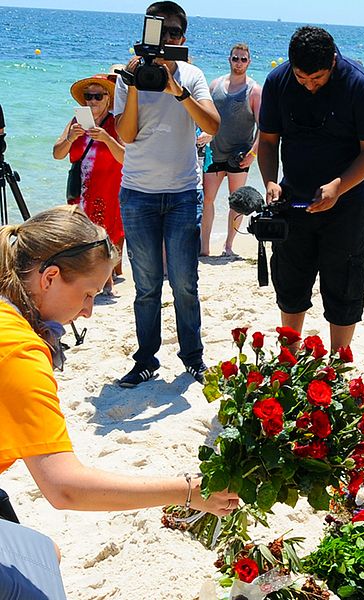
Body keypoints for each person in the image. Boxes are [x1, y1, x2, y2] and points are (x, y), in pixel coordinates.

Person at [0, 206, 238, 596]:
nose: (89, 311)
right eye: (88, 294)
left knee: (46, 554)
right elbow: (65, 489)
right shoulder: (19, 351)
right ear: (50, 278)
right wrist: (188, 491)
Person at [114, 1, 220, 388]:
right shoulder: (128, 77)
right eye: (159, 32)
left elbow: (212, 124)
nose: (167, 39)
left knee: (185, 283)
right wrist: (139, 84)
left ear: (183, 38)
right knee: (146, 286)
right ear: (146, 35)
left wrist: (177, 90)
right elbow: (126, 135)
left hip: (181, 193)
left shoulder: (192, 75)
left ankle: (193, 357)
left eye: (173, 33)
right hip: (138, 193)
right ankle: (146, 360)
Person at [258, 26, 364, 351]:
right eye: (302, 78)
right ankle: (290, 353)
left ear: (333, 61)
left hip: (347, 202)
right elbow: (268, 143)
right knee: (290, 281)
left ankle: (339, 363)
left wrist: (338, 187)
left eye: (317, 78)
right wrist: (271, 181)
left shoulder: (360, 84)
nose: (310, 85)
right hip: (293, 200)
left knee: (345, 283)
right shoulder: (278, 82)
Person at [52, 74, 125, 295]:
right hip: (80, 190)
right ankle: (86, 280)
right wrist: (70, 139)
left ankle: (105, 280)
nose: (92, 101)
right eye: (88, 96)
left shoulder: (115, 123)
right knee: (80, 234)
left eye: (97, 96)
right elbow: (57, 154)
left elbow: (126, 158)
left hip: (108, 190)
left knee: (106, 232)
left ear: (108, 100)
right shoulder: (76, 123)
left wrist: (107, 139)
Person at [201, 43, 262, 257]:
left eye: (243, 59)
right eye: (235, 58)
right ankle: (204, 248)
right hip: (214, 152)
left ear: (249, 62)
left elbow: (262, 126)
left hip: (240, 155)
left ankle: (228, 246)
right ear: (229, 59)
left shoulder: (254, 90)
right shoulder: (215, 85)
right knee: (207, 199)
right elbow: (203, 116)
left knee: (237, 202)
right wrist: (201, 134)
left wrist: (253, 153)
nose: (239, 63)